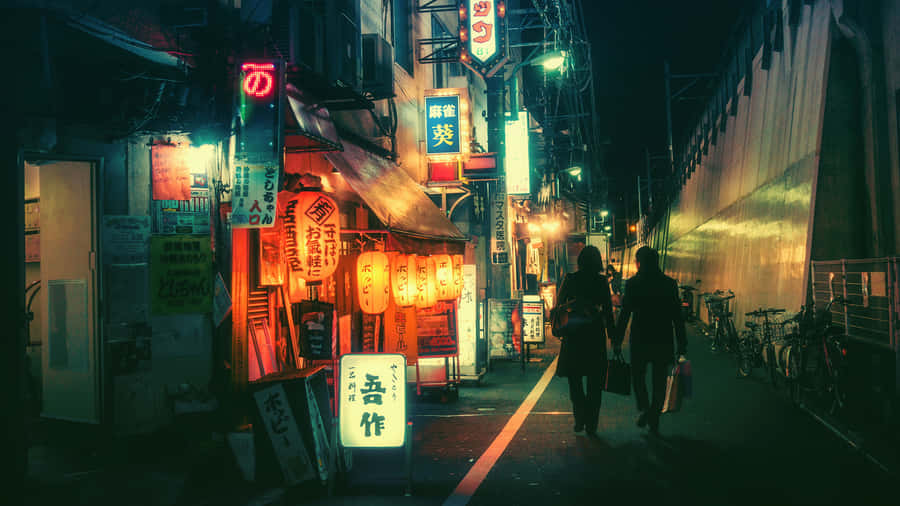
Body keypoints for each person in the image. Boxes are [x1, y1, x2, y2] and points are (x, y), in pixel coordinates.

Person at [613, 246, 687, 436]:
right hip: (663, 338)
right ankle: (654, 415)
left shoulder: (633, 284)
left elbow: (625, 314)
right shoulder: (669, 284)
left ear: (639, 262)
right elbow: (677, 316)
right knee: (659, 380)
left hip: (640, 339)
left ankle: (646, 409)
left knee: (638, 377)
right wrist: (682, 342)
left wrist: (617, 340)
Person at [555, 245, 616, 436]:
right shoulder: (601, 281)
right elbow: (608, 311)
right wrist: (613, 337)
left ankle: (579, 416)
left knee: (575, 380)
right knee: (595, 383)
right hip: (594, 337)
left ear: (580, 261)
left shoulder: (570, 279)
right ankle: (591, 423)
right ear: (598, 261)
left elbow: (559, 305)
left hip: (573, 335)